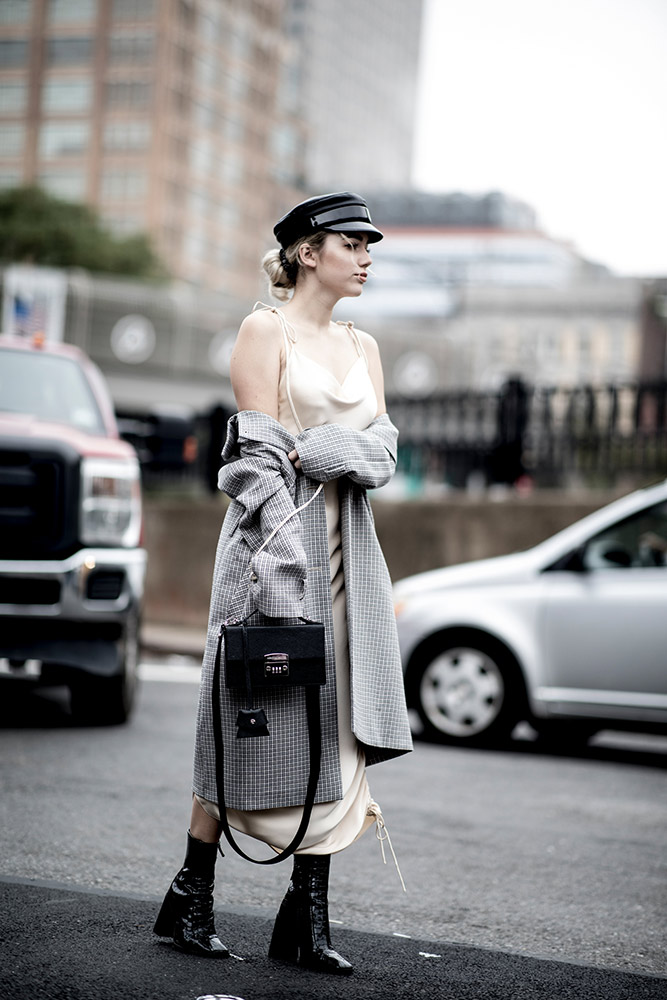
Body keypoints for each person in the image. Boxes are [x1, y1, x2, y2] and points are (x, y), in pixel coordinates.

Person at [153, 192, 413, 975]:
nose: (366, 256)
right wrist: (280, 571)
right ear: (308, 252)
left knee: (340, 728)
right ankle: (191, 894)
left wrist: (335, 449)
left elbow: (385, 453)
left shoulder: (363, 347)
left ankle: (304, 917)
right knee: (245, 715)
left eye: (370, 246)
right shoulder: (263, 330)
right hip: (271, 550)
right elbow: (254, 459)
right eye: (352, 243)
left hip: (350, 557)